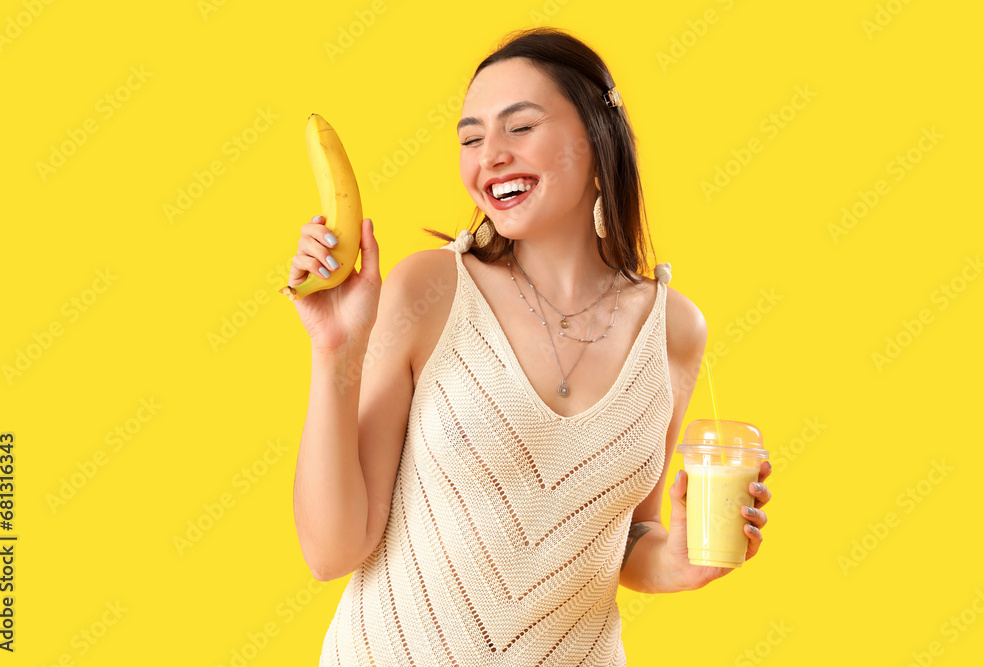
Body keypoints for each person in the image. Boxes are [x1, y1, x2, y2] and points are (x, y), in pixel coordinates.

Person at [289, 26, 773, 666]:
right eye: (470, 137)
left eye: (519, 128)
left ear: (597, 143)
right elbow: (332, 552)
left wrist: (681, 556)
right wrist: (336, 352)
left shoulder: (676, 330)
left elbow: (627, 539)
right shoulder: (430, 291)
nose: (488, 154)